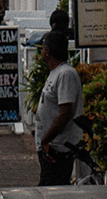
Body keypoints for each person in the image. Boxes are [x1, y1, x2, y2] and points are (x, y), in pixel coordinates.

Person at [32, 33, 86, 184]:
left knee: (50, 193)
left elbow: (65, 112)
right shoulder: (55, 73)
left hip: (58, 148)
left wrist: (46, 140)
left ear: (47, 51)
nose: (41, 51)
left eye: (42, 47)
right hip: (51, 148)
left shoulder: (65, 74)